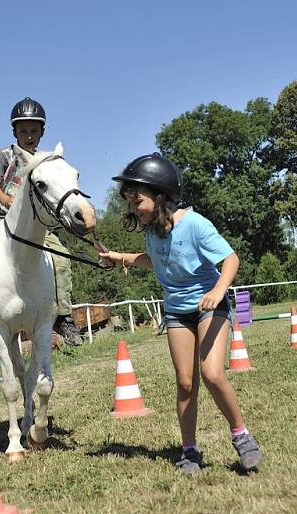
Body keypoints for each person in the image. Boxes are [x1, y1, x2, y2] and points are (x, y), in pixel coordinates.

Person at [99, 154, 263, 474]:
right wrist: (121, 258)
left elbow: (230, 259)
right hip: (176, 311)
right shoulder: (152, 228)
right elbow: (157, 260)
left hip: (210, 306)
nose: (132, 208)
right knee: (186, 383)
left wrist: (217, 292)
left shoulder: (196, 224)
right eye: (129, 202)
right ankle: (189, 451)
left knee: (212, 373)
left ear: (160, 196)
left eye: (137, 201)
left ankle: (241, 436)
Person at [0, 97, 83, 348]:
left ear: (42, 132)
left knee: (62, 258)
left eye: (34, 130)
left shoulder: (47, 160)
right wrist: (7, 200)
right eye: (23, 131)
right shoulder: (4, 155)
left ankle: (63, 316)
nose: (29, 135)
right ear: (15, 132)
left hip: (32, 224)